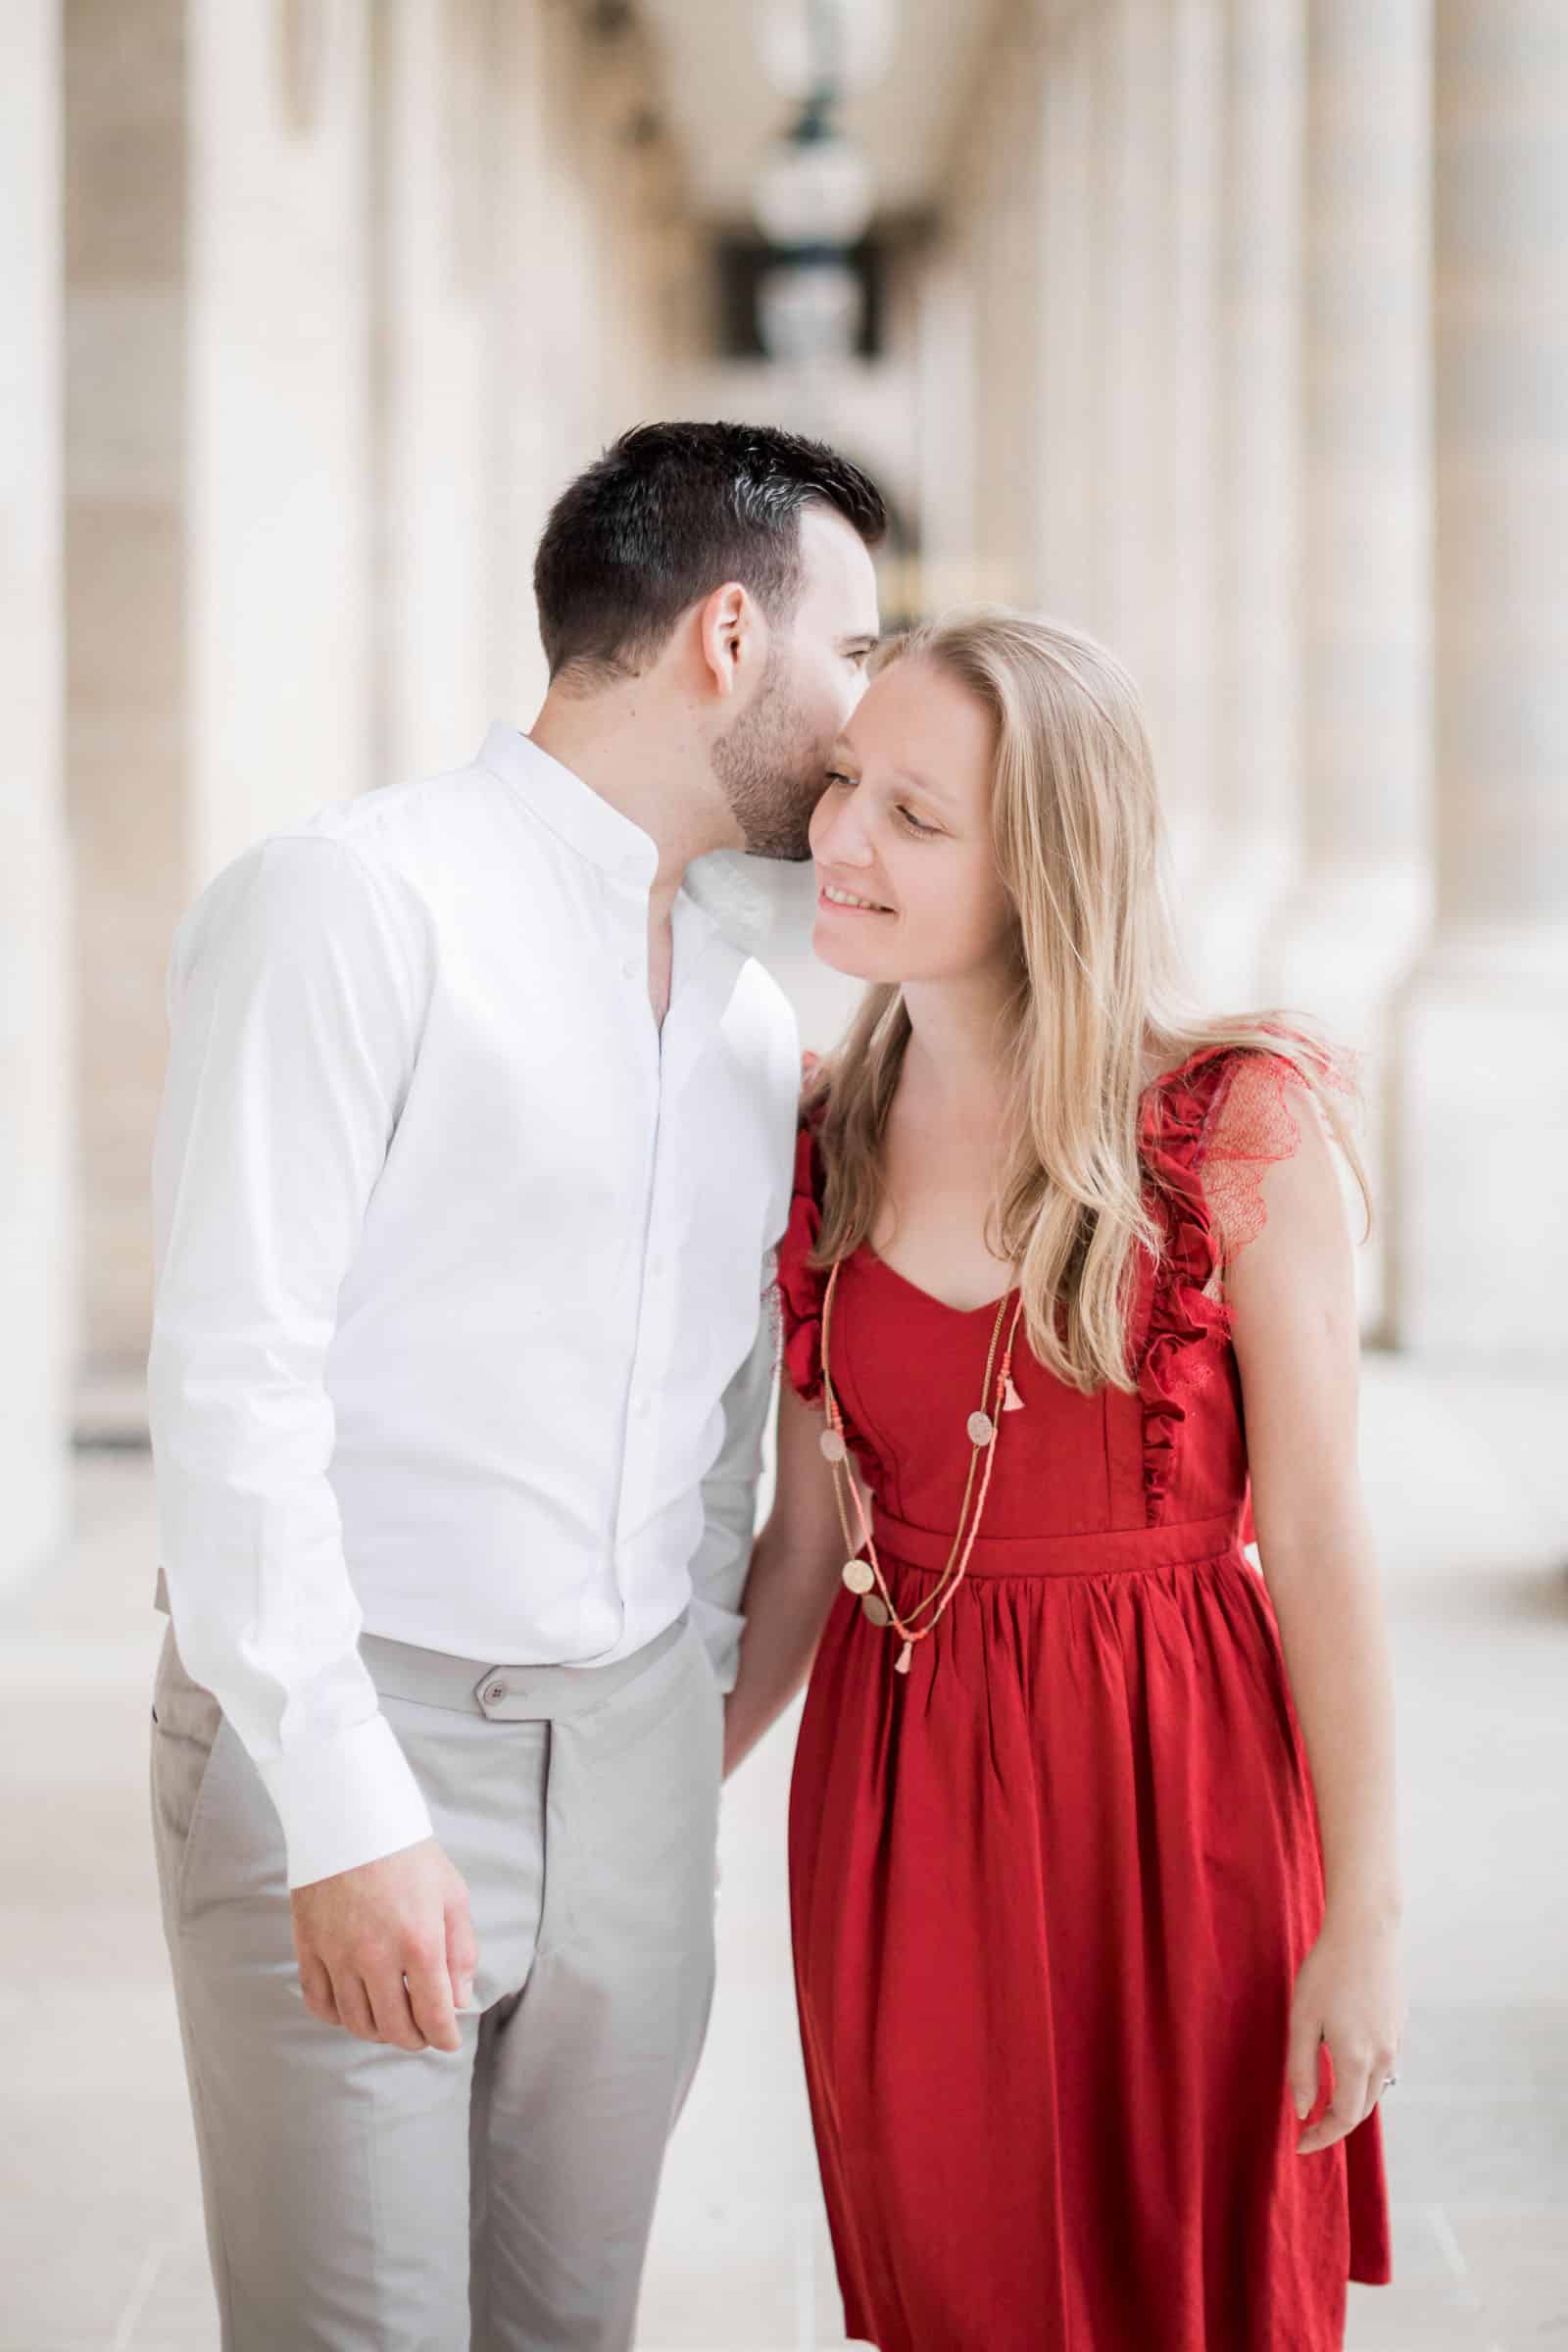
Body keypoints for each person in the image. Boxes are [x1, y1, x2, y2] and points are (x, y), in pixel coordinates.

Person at [144, 418, 885, 2351]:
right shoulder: (351, 902)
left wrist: (671, 1723)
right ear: (729, 637)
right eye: (852, 655)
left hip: (631, 1764)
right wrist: (342, 1803)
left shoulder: (737, 1016)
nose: (860, 716)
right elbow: (234, 1387)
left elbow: (719, 1429)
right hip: (362, 1732)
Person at [723, 608, 1403, 2352]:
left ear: (1045, 865)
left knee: (1194, 2283)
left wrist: (1368, 1918)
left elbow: (1321, 1541)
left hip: (1179, 1800)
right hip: (898, 1804)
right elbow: (804, 1551)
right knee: (961, 2285)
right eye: (848, 783)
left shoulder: (1227, 1124)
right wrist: (620, 1806)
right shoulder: (821, 1139)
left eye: (917, 816)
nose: (844, 838)